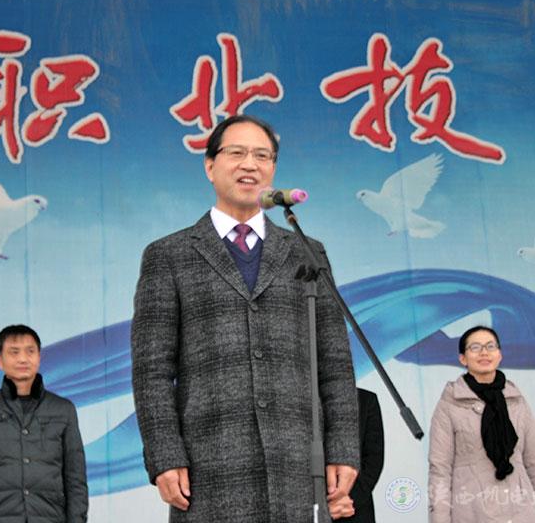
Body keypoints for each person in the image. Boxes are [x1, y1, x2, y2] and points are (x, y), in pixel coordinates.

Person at [131, 114, 360, 522]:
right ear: (210, 166)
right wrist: (165, 455)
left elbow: (335, 363)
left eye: (262, 156)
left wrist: (342, 448)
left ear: (273, 168)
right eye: (236, 153)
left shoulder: (307, 251)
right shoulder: (169, 255)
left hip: (297, 462)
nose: (249, 165)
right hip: (209, 463)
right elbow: (152, 370)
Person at [427, 325, 535, 523]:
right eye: (475, 347)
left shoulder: (515, 400)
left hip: (522, 513)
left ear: (499, 355)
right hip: (472, 513)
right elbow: (440, 470)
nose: (484, 352)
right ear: (462, 358)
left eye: (490, 346)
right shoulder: (450, 404)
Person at [0, 325, 88, 523]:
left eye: (30, 351)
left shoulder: (64, 410)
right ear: (0, 361)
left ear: (39, 358)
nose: (23, 359)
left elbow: (75, 478)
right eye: (14, 352)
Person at [340, 388, 385, 523]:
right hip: (304, 505)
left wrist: (345, 500)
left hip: (355, 508)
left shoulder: (366, 399)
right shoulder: (298, 401)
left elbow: (373, 459)